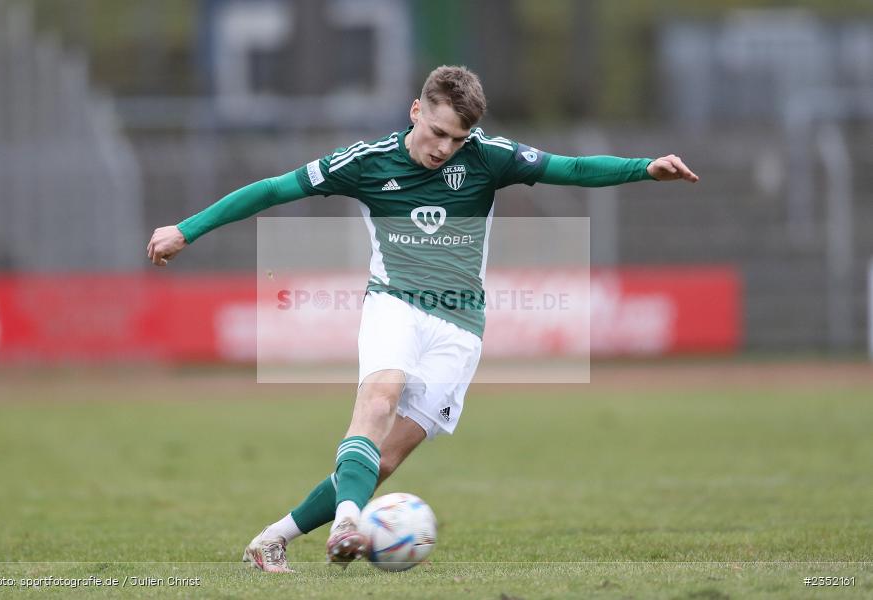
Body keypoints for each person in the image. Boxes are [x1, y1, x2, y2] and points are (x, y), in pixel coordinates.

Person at [146, 65, 698, 573]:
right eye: (438, 132)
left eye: (457, 138)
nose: (445, 147)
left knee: (384, 461)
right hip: (395, 302)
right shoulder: (364, 162)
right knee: (378, 397)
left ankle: (272, 539)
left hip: (460, 326)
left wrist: (644, 168)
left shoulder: (487, 156)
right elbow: (273, 189)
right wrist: (186, 229)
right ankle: (347, 522)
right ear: (416, 111)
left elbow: (570, 167)